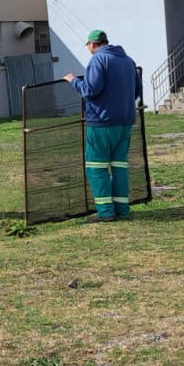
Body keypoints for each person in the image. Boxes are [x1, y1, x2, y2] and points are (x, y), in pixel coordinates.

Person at [63, 29, 142, 222]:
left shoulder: (98, 60)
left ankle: (106, 212)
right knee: (119, 166)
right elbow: (137, 91)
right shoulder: (128, 61)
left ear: (92, 44)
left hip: (101, 122)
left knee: (96, 166)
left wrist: (74, 81)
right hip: (125, 121)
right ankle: (122, 210)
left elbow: (90, 90)